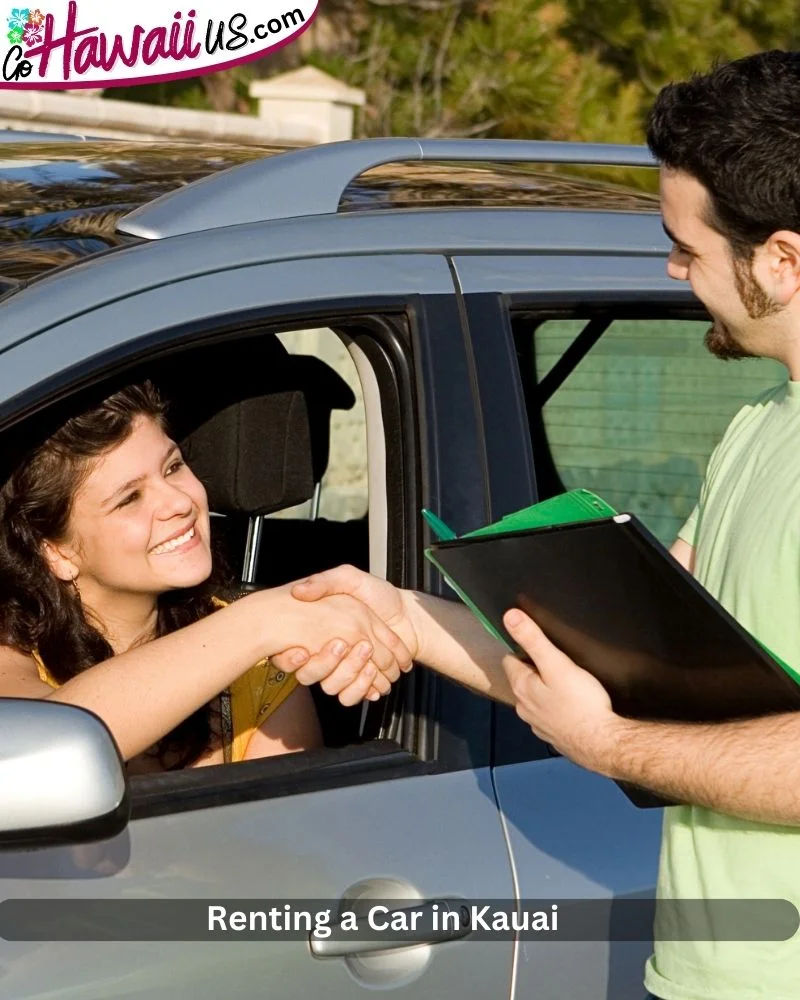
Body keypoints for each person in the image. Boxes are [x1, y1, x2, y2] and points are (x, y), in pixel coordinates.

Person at [272, 51, 800, 1000]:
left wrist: (616, 750)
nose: (672, 269)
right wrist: (391, 611)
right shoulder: (761, 426)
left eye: (686, 246)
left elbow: (621, 724)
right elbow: (609, 666)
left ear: (784, 259)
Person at [0, 381, 413, 773]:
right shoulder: (13, 650)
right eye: (130, 499)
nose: (179, 502)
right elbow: (38, 751)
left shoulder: (264, 668)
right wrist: (261, 620)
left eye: (173, 466)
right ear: (57, 551)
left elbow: (284, 833)